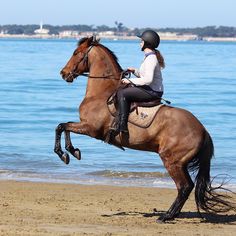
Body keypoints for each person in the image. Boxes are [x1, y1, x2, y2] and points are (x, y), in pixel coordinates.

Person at [114, 29, 165, 136]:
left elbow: (148, 80)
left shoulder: (151, 59)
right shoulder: (148, 57)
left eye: (141, 41)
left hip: (152, 91)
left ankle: (122, 126)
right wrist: (135, 71)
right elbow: (144, 76)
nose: (140, 43)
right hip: (150, 89)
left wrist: (129, 80)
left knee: (122, 93)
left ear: (147, 43)